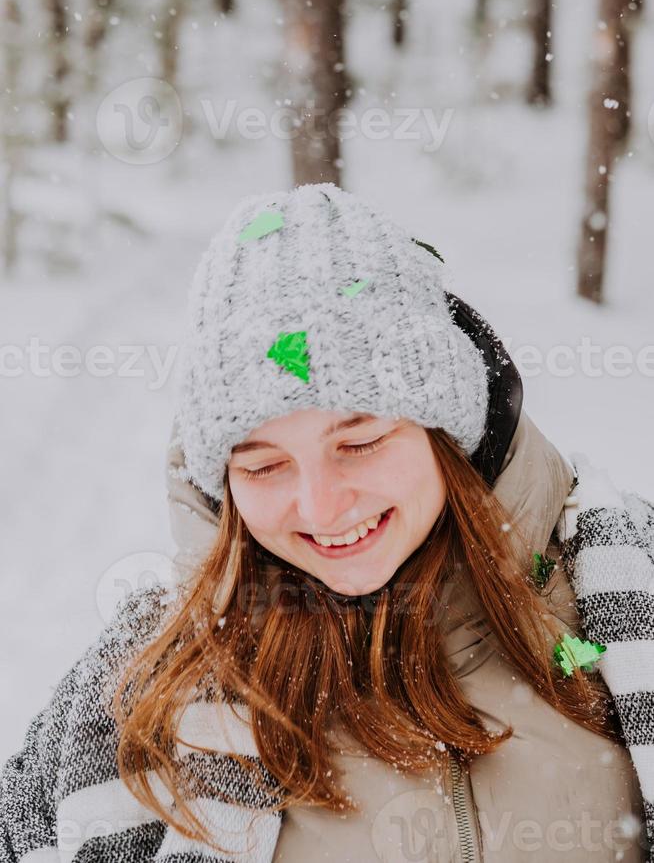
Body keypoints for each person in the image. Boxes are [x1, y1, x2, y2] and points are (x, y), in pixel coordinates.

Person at [1, 182, 653, 863]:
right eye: (263, 467)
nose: (320, 506)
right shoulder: (139, 682)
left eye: (359, 443)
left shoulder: (625, 587)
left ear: (449, 433)